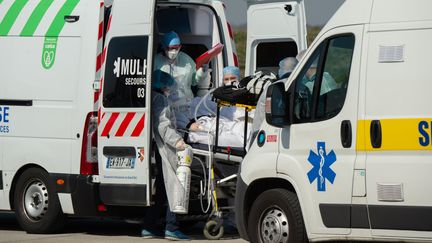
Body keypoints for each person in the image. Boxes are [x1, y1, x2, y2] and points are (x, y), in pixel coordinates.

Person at [141, 70, 189, 241]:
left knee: (162, 189)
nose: (170, 88)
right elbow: (163, 125)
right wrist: (177, 141)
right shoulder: (160, 99)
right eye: (168, 86)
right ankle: (172, 227)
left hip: (158, 147)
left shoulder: (151, 97)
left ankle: (149, 225)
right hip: (166, 148)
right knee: (175, 186)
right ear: (162, 85)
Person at [154, 31, 210, 130]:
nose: (174, 51)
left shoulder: (186, 60)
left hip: (187, 104)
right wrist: (159, 89)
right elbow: (150, 83)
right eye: (170, 48)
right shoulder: (155, 61)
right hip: (166, 106)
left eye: (176, 48)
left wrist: (202, 72)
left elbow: (194, 81)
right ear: (164, 47)